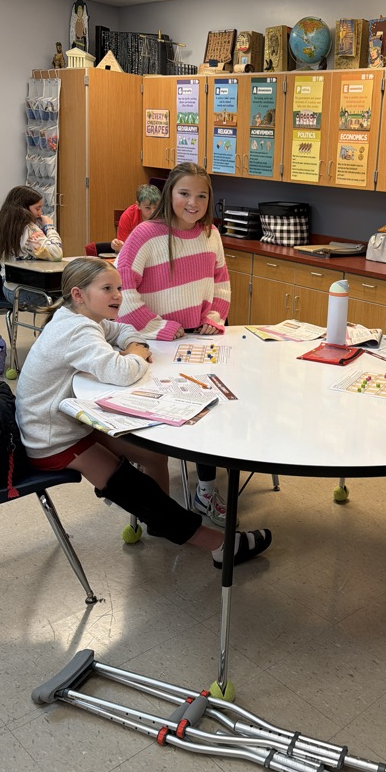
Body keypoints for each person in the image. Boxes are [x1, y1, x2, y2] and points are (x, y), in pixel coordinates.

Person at [15, 257, 271, 569]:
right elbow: (121, 372)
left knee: (152, 455)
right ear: (79, 294)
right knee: (132, 488)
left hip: (68, 423)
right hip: (53, 439)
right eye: (107, 288)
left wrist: (132, 342)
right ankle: (219, 545)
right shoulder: (77, 330)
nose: (118, 295)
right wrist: (136, 353)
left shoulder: (80, 317)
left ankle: (159, 523)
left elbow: (122, 329)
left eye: (119, 288)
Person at [116, 163, 231, 527]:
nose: (193, 202)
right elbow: (122, 289)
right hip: (155, 344)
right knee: (163, 421)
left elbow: (221, 279)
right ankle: (145, 494)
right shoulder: (146, 234)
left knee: (209, 409)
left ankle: (205, 490)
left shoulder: (210, 233)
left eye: (201, 195)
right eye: (184, 193)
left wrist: (215, 317)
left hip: (197, 339)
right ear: (170, 195)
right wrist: (157, 326)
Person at [0, 185, 63, 307]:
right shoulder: (27, 229)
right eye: (37, 209)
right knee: (75, 300)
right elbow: (56, 253)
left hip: (9, 288)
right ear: (24, 208)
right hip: (23, 291)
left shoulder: (2, 224)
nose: (40, 213)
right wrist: (49, 227)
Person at [110, 184, 161, 253]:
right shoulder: (128, 216)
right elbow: (122, 248)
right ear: (138, 205)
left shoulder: (165, 215)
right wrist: (117, 246)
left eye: (156, 207)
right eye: (148, 208)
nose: (153, 212)